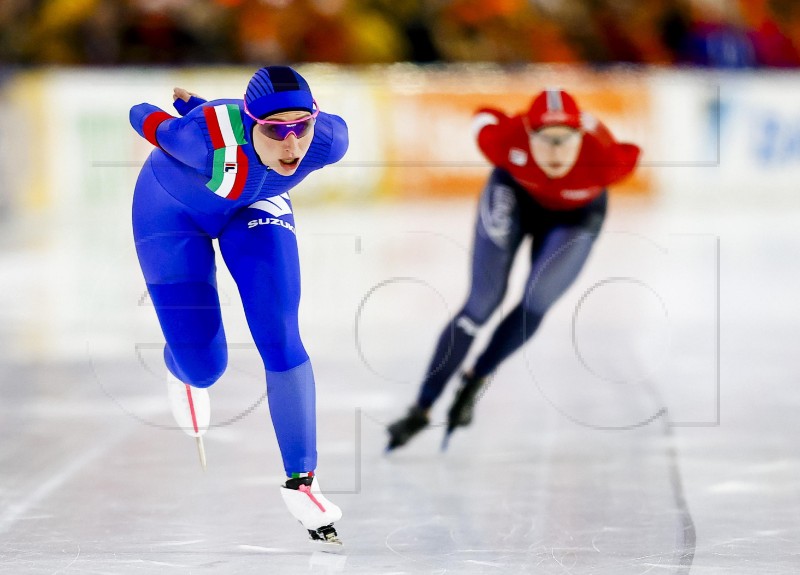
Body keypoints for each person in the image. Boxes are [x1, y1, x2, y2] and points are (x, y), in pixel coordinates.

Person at [129, 65, 347, 544]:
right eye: (274, 131)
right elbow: (139, 114)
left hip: (254, 210)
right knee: (205, 368)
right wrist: (195, 116)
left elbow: (277, 126)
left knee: (280, 333)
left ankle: (301, 484)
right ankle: (180, 364)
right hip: (170, 211)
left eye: (300, 128)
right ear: (252, 126)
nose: (292, 147)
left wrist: (205, 108)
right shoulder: (200, 141)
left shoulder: (330, 139)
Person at [386, 88, 641, 451]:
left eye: (565, 141)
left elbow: (633, 153)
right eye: (546, 141)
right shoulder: (504, 140)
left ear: (581, 137)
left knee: (537, 300)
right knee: (482, 303)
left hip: (575, 218)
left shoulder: (606, 158)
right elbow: (483, 116)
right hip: (515, 196)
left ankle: (478, 376)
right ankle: (422, 407)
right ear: (528, 135)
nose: (555, 152)